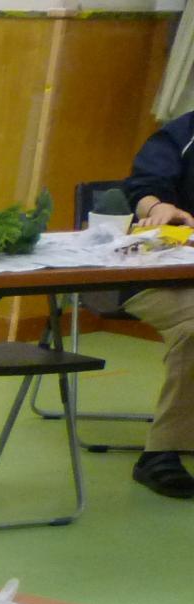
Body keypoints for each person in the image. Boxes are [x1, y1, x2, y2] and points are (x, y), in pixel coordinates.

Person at [123, 114, 194, 500]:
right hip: (158, 277)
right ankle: (160, 453)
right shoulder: (182, 134)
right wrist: (159, 206)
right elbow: (144, 186)